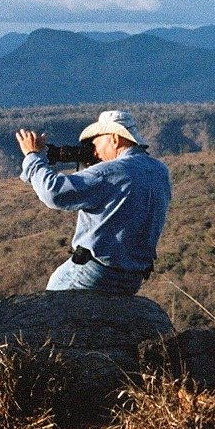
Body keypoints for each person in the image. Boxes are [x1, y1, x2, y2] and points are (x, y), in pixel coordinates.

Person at [15, 109, 171, 295]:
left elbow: (53, 192)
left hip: (96, 273)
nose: (94, 151)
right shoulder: (160, 170)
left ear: (114, 138)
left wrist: (33, 157)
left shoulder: (111, 172)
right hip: (132, 278)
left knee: (47, 311)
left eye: (95, 142)